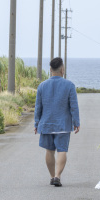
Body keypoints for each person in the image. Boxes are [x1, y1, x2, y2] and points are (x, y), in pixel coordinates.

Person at [34, 57, 80, 187]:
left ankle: (51, 176)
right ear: (62, 69)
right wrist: (76, 122)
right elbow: (73, 106)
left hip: (46, 123)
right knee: (62, 150)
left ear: (50, 70)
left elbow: (38, 107)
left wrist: (36, 123)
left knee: (49, 151)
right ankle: (57, 176)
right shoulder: (69, 85)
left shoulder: (42, 86)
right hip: (63, 125)